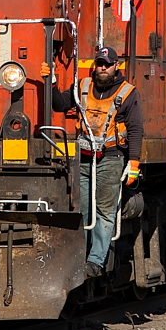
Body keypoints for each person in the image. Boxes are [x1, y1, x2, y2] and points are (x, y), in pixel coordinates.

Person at [40, 46, 143, 278]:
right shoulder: (82, 87)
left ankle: (96, 261)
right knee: (84, 210)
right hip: (84, 160)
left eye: (107, 64)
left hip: (112, 158)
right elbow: (59, 104)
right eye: (99, 63)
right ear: (94, 66)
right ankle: (80, 257)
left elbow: (136, 129)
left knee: (105, 212)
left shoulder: (128, 93)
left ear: (117, 66)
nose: (103, 68)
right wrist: (51, 82)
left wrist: (134, 163)